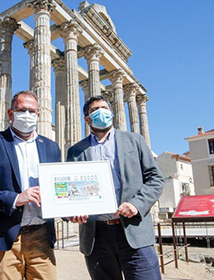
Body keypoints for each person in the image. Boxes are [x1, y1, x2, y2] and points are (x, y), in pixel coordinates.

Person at [67, 95, 164, 280]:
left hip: (134, 231)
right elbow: (70, 190)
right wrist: (71, 212)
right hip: (97, 236)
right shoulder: (76, 151)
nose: (101, 112)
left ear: (111, 114)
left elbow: (156, 179)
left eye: (104, 108)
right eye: (95, 110)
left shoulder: (135, 141)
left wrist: (136, 204)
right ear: (87, 119)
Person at [0, 90, 61, 280]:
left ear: (38, 115)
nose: (27, 115)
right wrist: (15, 198)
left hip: (41, 234)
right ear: (11, 114)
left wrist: (72, 209)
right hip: (3, 235)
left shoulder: (51, 147)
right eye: (22, 110)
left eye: (32, 111)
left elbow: (58, 188)